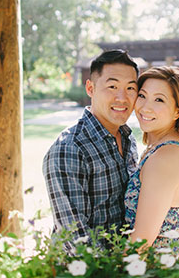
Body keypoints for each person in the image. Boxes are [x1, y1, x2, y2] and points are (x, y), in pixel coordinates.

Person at [43, 49, 139, 244]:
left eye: (130, 88)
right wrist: (115, 273)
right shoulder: (70, 149)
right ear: (90, 88)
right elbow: (75, 239)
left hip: (126, 262)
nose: (122, 97)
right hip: (86, 271)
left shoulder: (129, 140)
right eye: (112, 86)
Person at [124, 66, 179, 256]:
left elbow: (140, 243)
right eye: (142, 95)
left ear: (178, 111)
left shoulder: (165, 159)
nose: (145, 107)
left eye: (159, 100)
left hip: (163, 276)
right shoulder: (160, 148)